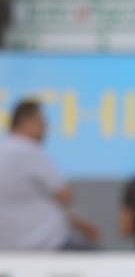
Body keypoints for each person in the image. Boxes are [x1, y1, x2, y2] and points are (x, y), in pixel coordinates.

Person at [0, 99, 101, 250]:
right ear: (26, 121)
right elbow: (65, 195)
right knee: (100, 263)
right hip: (44, 243)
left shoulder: (4, 150)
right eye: (41, 120)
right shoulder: (29, 150)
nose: (45, 127)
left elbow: (32, 202)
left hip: (8, 245)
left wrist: (78, 223)